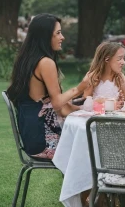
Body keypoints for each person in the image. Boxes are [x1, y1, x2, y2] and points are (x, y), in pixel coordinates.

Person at [6, 14, 87, 159]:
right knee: (93, 149)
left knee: (89, 144)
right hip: (45, 142)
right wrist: (79, 88)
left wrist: (85, 109)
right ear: (45, 36)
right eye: (58, 33)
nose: (62, 37)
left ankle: (76, 182)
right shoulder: (46, 63)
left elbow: (54, 107)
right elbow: (57, 104)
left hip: (32, 137)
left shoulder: (26, 60)